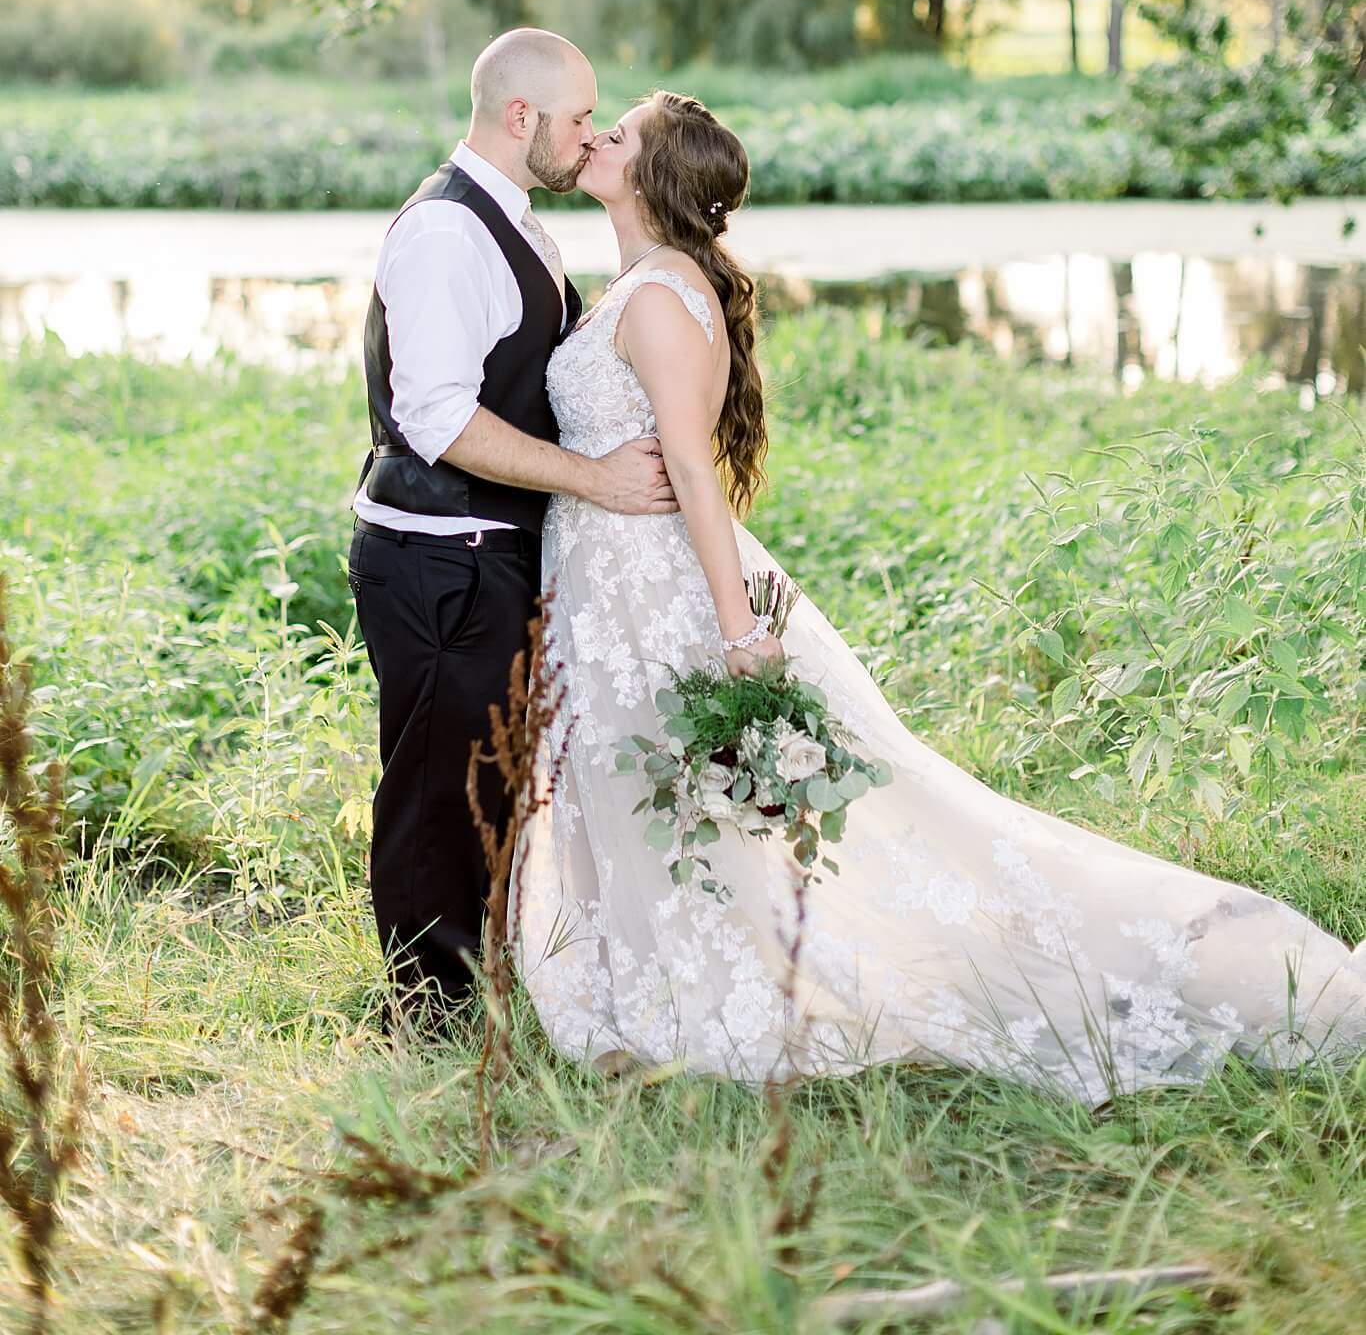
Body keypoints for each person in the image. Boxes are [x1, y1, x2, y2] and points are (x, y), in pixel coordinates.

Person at [509, 90, 1366, 1103]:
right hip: (608, 589)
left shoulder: (659, 295)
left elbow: (693, 473)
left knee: (690, 786)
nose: (599, 136)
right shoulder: (635, 284)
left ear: (653, 176)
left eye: (623, 131)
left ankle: (736, 987)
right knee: (659, 786)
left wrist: (736, 627)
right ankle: (662, 973)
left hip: (655, 588)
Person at [348, 29, 676, 1033]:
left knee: (484, 775)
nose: (590, 136)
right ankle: (429, 1012)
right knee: (437, 788)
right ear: (520, 116)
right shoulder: (449, 234)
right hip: (440, 558)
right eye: (579, 118)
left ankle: (479, 981)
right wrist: (594, 480)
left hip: (485, 552)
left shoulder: (515, 217)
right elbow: (437, 416)